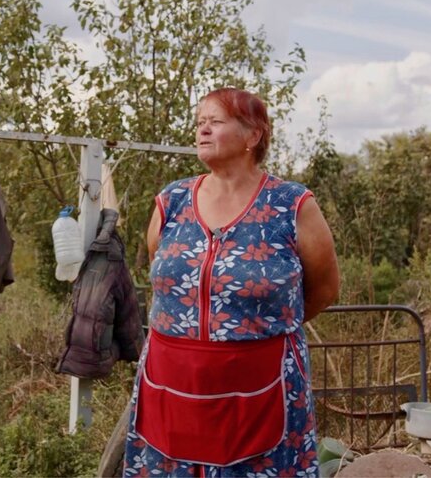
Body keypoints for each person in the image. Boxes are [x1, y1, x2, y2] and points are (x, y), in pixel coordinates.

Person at [123, 88, 340, 477]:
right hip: (173, 383)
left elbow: (325, 289)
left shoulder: (291, 205)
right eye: (199, 122)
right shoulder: (171, 202)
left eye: (216, 122)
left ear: (252, 136)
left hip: (261, 385)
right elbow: (167, 279)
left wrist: (257, 330)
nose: (202, 130)